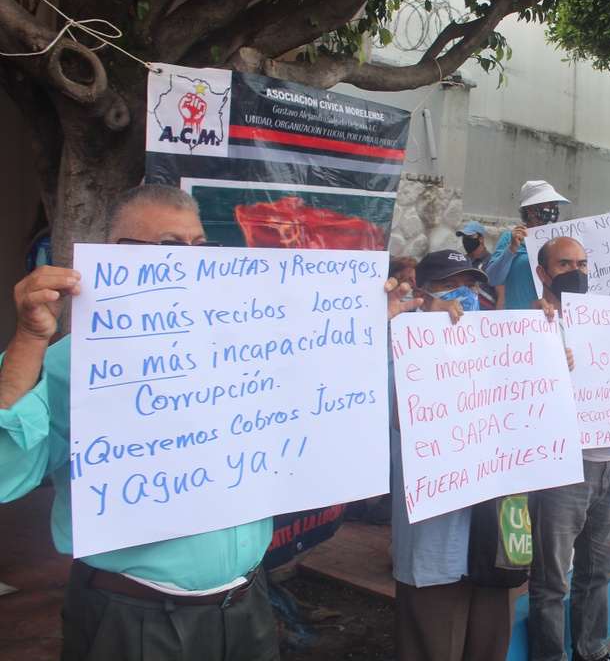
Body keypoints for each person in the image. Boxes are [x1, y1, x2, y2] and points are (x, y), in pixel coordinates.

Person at [0, 184, 420, 661]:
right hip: (135, 619)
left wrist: (364, 331)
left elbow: (325, 401)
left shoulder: (252, 348)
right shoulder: (75, 363)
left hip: (246, 605)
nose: (193, 262)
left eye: (201, 248)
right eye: (171, 248)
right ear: (119, 256)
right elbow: (4, 472)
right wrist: (30, 338)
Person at [392, 249, 522, 661]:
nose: (462, 296)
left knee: (489, 646)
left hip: (497, 533)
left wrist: (555, 359)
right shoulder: (401, 342)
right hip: (436, 540)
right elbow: (397, 417)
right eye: (450, 286)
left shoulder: (500, 344)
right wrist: (426, 337)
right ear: (422, 293)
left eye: (469, 286)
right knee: (434, 647)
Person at [528, 235, 610, 661]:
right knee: (552, 579)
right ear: (543, 274)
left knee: (599, 568)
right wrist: (537, 347)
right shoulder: (531, 322)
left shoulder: (607, 321)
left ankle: (590, 650)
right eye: (565, 264)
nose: (577, 271)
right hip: (562, 467)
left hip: (608, 462)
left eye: (583, 263)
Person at [486, 180, 569, 310]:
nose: (553, 210)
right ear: (530, 209)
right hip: (521, 322)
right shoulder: (510, 238)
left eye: (555, 205)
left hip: (553, 320)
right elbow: (493, 279)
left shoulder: (560, 242)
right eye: (549, 204)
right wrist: (511, 249)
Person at [456, 221, 497, 310]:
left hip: (487, 316)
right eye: (464, 237)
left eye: (470, 237)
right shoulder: (461, 262)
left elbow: (502, 294)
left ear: (481, 239)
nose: (466, 240)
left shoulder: (492, 261)